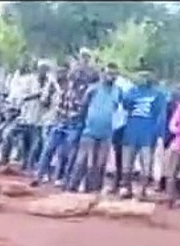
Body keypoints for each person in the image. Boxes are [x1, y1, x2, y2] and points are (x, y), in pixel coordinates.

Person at [35, 61, 95, 187]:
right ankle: (39, 175)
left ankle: (62, 178)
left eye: (79, 73)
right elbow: (58, 105)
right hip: (61, 121)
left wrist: (74, 116)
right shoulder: (64, 87)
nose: (76, 76)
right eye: (75, 73)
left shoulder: (84, 90)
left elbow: (82, 108)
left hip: (73, 124)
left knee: (66, 153)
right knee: (49, 149)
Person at [67, 62, 122, 194]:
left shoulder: (118, 91)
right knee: (82, 161)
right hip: (89, 131)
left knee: (100, 163)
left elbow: (117, 109)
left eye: (114, 74)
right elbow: (83, 107)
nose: (111, 76)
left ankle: (92, 190)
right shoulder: (93, 89)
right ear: (103, 74)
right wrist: (81, 126)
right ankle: (72, 188)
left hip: (106, 132)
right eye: (109, 73)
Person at [118, 69, 167, 199]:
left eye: (144, 77)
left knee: (146, 163)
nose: (141, 80)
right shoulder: (131, 92)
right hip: (131, 130)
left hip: (148, 132)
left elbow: (160, 115)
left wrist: (159, 134)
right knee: (127, 162)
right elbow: (125, 105)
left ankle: (143, 190)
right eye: (139, 77)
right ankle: (127, 188)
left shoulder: (158, 94)